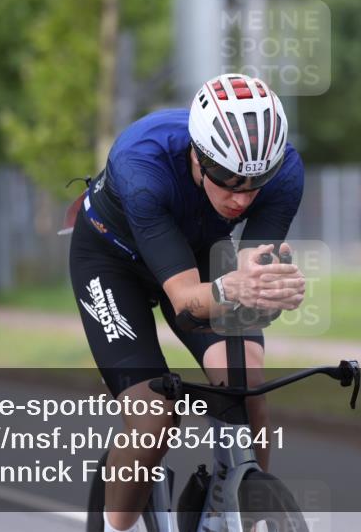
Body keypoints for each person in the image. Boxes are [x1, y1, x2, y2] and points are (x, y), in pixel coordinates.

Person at [68, 73, 307, 532]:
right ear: (197, 155)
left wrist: (274, 294)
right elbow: (186, 302)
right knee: (155, 413)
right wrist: (238, 291)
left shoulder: (283, 171)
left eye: (255, 183)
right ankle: (119, 526)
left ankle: (236, 501)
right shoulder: (142, 165)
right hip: (112, 261)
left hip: (199, 250)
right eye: (227, 180)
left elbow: (250, 283)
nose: (241, 198)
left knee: (245, 378)